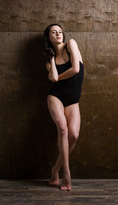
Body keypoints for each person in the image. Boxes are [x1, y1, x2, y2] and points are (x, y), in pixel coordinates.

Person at [44, 24, 84, 191]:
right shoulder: (48, 61)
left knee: (73, 135)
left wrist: (58, 77)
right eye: (54, 32)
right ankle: (66, 173)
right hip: (56, 96)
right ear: (49, 37)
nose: (58, 34)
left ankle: (55, 169)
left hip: (73, 99)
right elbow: (53, 79)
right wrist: (52, 58)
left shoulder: (71, 45)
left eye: (60, 31)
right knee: (63, 129)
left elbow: (75, 69)